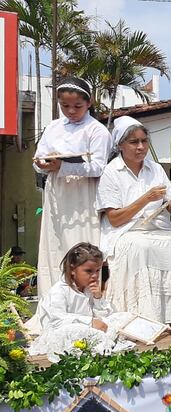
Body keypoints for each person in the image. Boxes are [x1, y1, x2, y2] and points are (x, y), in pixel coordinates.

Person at [96, 116, 171, 324]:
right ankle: (146, 313)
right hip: (126, 233)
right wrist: (146, 199)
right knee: (141, 247)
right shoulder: (111, 172)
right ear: (120, 145)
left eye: (144, 141)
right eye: (134, 142)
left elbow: (170, 207)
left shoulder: (155, 169)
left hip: (159, 230)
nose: (141, 147)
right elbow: (115, 219)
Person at [33, 77, 112, 297]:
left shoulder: (96, 131)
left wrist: (64, 166)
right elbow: (39, 158)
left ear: (89, 103)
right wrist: (43, 165)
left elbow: (97, 167)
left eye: (77, 106)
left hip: (83, 195)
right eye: (64, 106)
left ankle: (87, 299)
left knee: (81, 242)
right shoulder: (53, 127)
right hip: (57, 192)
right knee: (55, 244)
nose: (71, 111)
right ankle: (54, 300)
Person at [28, 243, 135, 362]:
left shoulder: (88, 289)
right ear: (73, 269)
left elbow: (104, 317)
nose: (94, 276)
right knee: (79, 330)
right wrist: (89, 322)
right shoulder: (59, 291)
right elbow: (57, 321)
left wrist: (98, 297)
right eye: (89, 271)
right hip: (64, 336)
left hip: (88, 332)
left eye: (97, 271)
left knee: (124, 317)